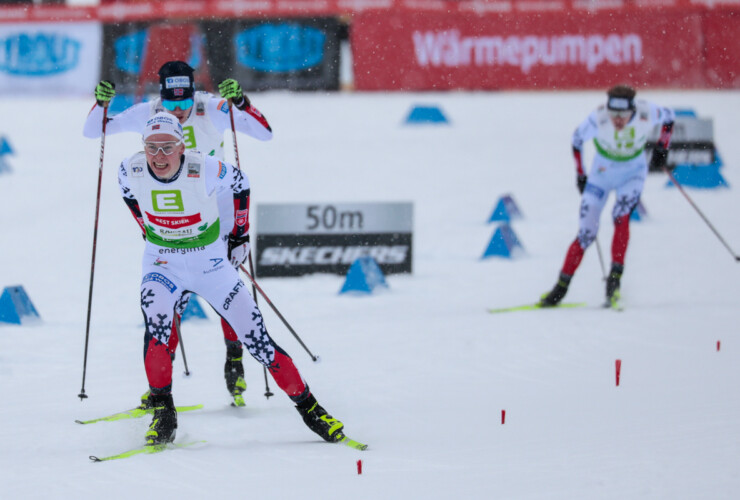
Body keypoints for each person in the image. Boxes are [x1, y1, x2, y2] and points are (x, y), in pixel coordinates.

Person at [118, 112, 348, 446]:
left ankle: (311, 409)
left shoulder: (204, 168)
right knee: (157, 328)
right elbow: (127, 193)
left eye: (168, 147)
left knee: (259, 342)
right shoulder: (131, 168)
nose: (159, 156)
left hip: (210, 265)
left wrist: (239, 235)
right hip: (163, 263)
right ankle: (164, 413)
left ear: (182, 146)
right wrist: (146, 229)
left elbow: (241, 183)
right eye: (152, 147)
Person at [84, 61, 272, 408]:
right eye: (172, 104)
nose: (180, 111)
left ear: (192, 93)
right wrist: (100, 104)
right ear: (161, 97)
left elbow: (265, 133)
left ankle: (234, 359)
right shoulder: (149, 113)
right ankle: (160, 387)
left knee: (228, 295)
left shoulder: (211, 107)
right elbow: (95, 132)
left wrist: (242, 102)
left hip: (220, 216)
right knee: (168, 305)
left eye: (185, 102)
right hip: (177, 219)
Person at [539, 85, 675, 307]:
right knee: (586, 233)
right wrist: (580, 174)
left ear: (632, 110)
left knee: (620, 217)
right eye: (614, 114)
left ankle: (614, 281)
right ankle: (560, 288)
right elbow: (576, 139)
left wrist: (662, 148)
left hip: (632, 175)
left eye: (623, 115)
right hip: (601, 176)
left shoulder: (644, 112)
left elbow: (670, 117)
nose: (618, 120)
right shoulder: (599, 118)